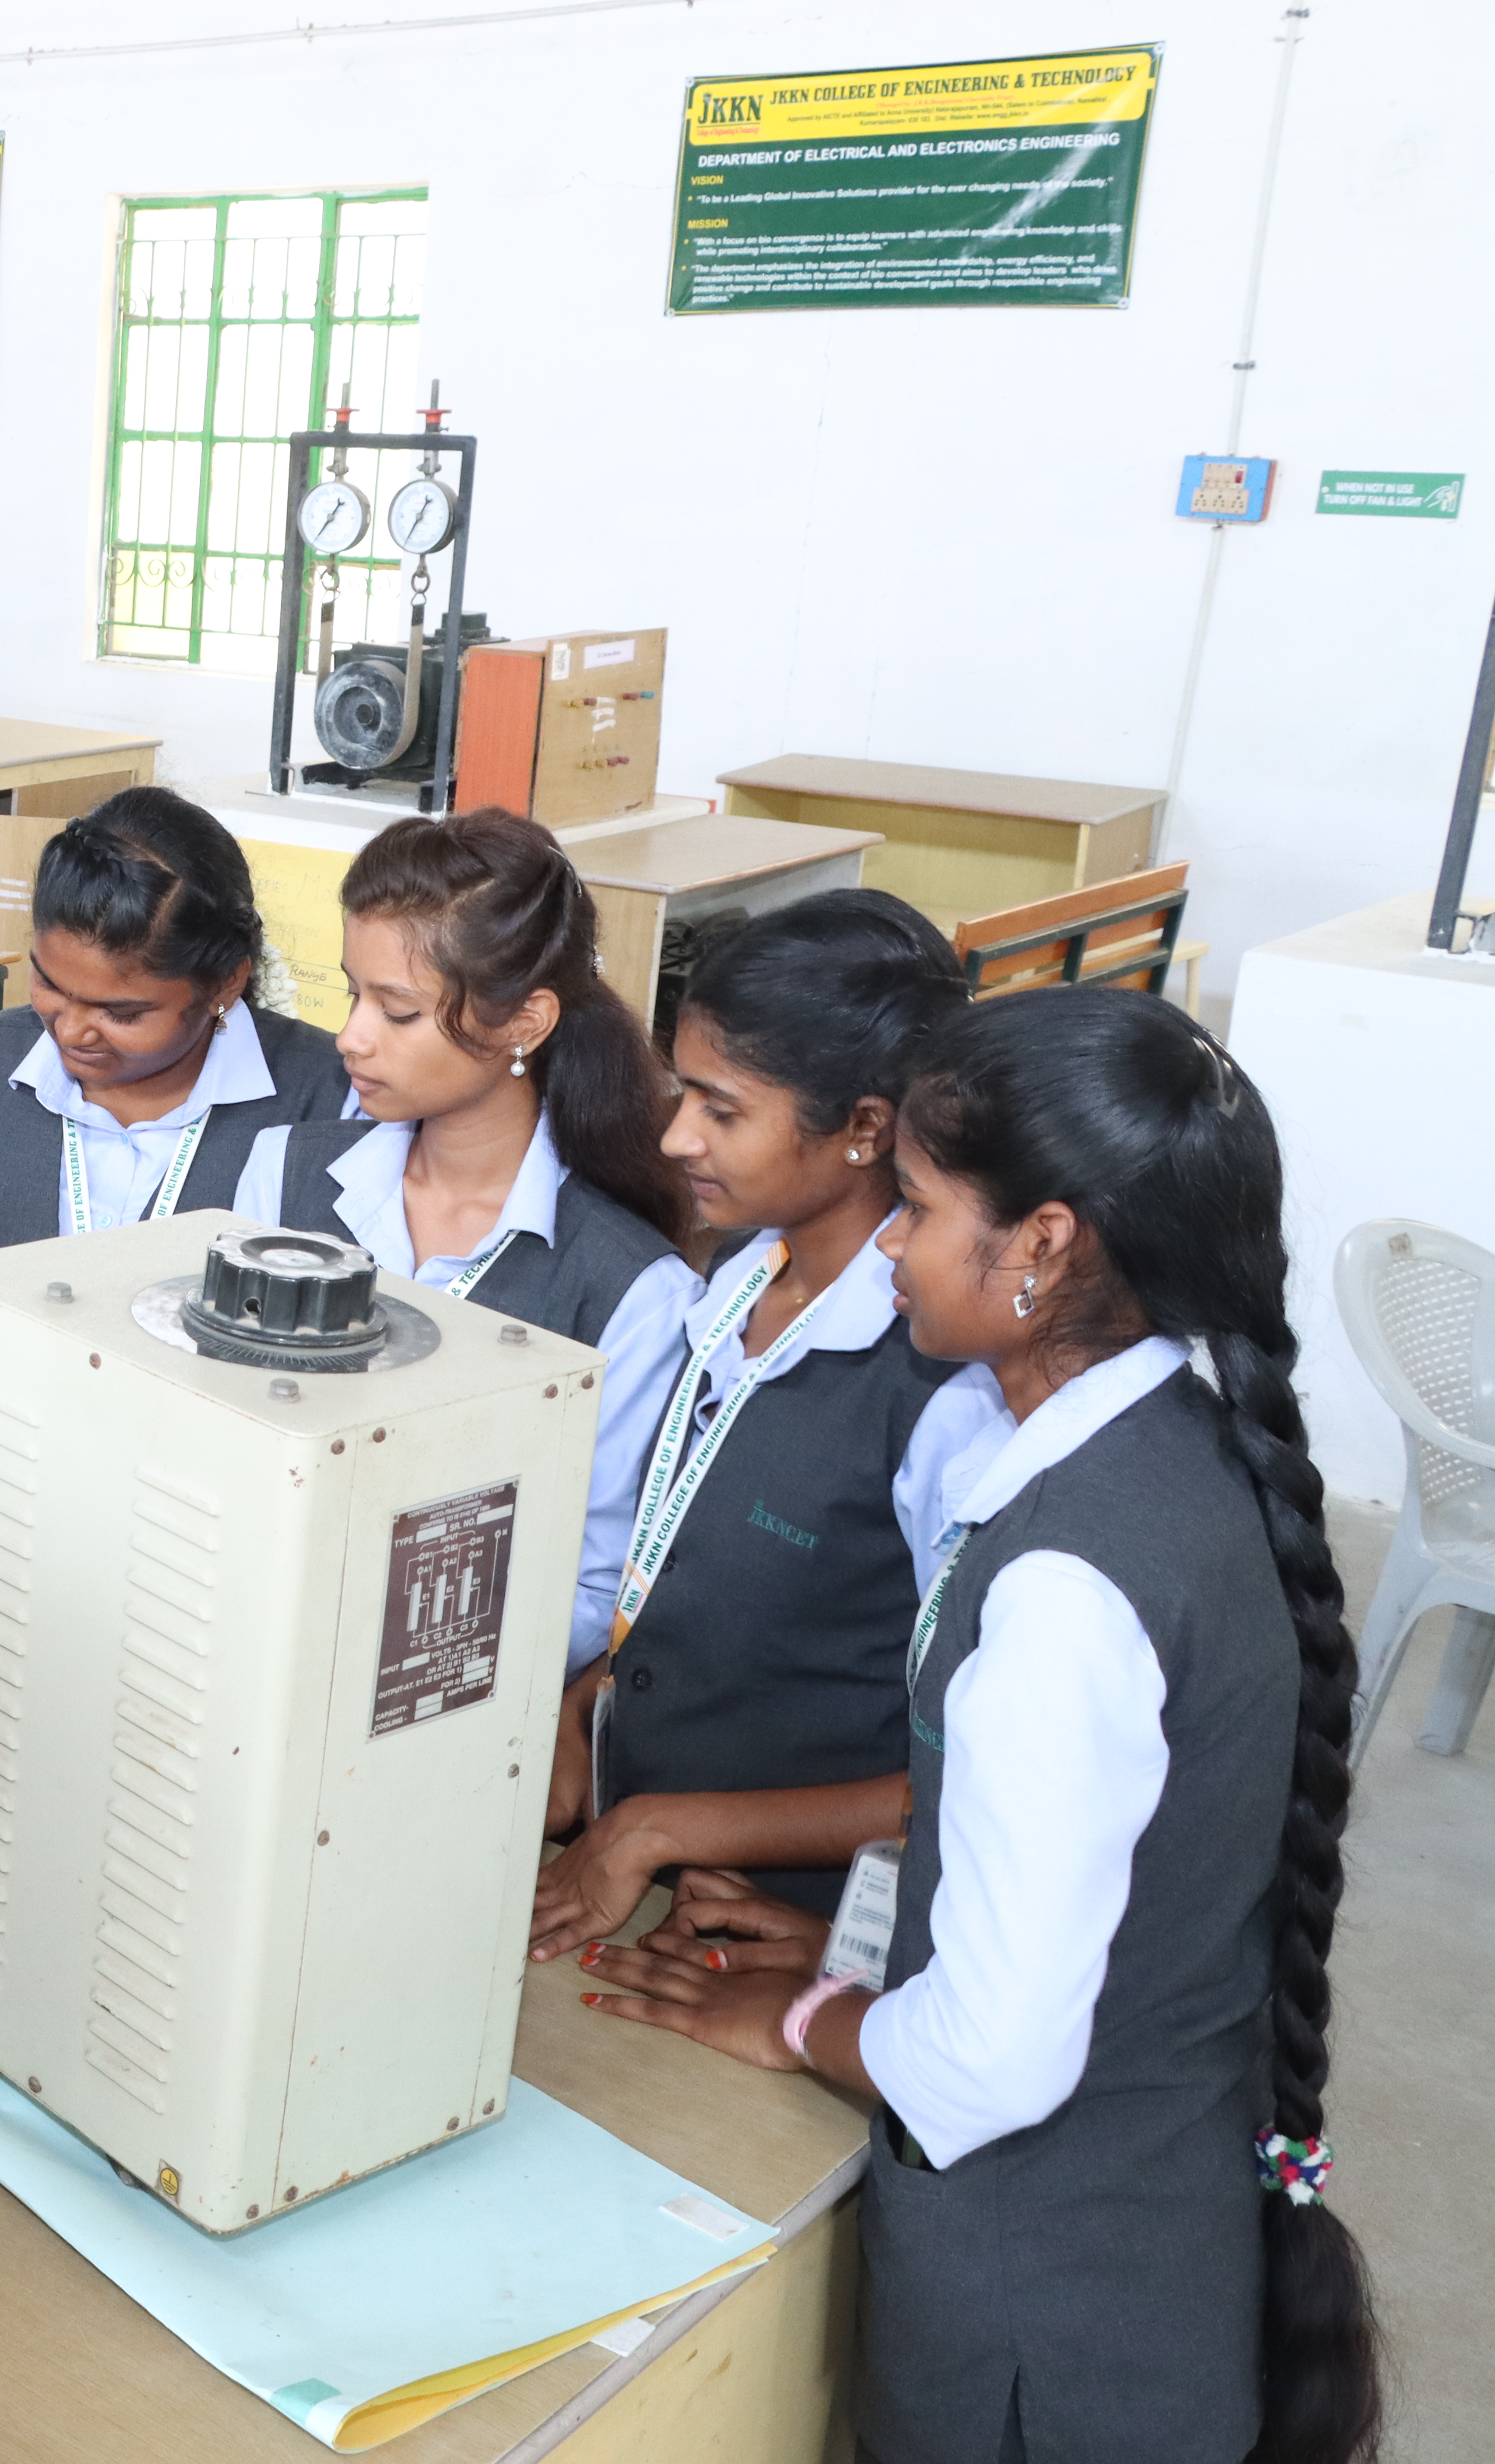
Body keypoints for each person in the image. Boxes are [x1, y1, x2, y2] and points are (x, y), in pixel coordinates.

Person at [570, 988, 1383, 2464]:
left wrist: (816, 2020)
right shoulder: (1184, 1460)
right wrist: (882, 1956)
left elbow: (994, 2068)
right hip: (1150, 2247)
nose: (889, 1242)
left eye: (925, 1210)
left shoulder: (1064, 1588)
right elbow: (1135, 1906)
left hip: (1031, 2327)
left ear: (1046, 1244)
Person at [527, 893, 996, 1955]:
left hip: (801, 1922)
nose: (676, 1133)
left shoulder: (941, 1391)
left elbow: (976, 1766)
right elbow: (684, 1575)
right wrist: (580, 1708)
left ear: (867, 1129)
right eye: (681, 1089)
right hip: (640, 1855)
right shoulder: (741, 1273)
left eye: (722, 1109)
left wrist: (663, 1827)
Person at [0, 786, 350, 1476]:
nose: (71, 1030)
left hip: (207, 1500)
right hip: (2, 1479)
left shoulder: (330, 1102)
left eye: (121, 1012)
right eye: (49, 984)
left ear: (224, 983)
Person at [280, 810, 697, 1666]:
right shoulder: (285, 1176)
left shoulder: (632, 1288)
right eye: (352, 993)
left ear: (525, 1023)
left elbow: (592, 1588)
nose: (351, 1037)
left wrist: (395, 1656)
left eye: (398, 1011)